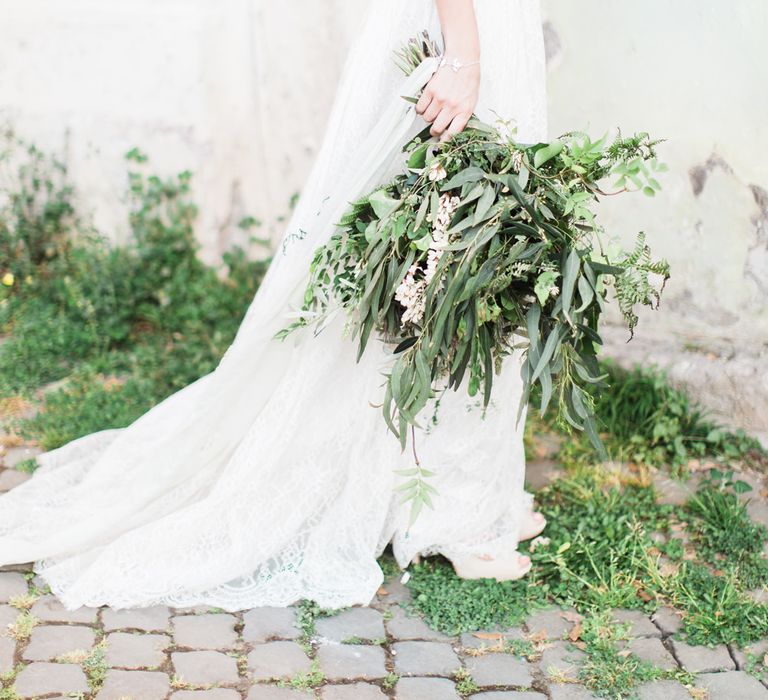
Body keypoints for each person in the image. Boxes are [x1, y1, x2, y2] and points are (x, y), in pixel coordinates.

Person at [0, 0, 548, 611]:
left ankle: (459, 490)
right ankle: (451, 509)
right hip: (459, 33)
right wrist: (463, 54)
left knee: (469, 259)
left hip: (490, 26)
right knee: (446, 258)